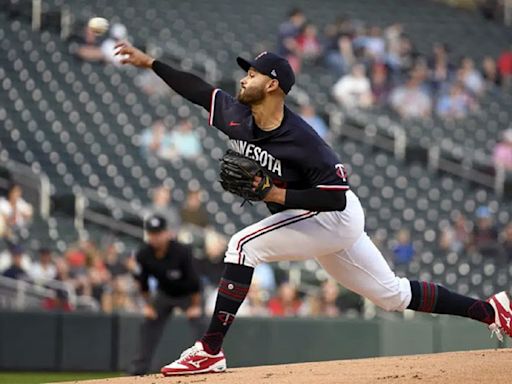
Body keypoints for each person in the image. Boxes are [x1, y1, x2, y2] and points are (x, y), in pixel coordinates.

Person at [115, 41, 512, 376]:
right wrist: (149, 61)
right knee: (391, 295)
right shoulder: (236, 116)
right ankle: (491, 310)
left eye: (251, 74)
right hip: (321, 224)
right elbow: (196, 88)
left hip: (332, 215)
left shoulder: (304, 140)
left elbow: (336, 196)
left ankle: (210, 349)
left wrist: (275, 196)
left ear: (273, 85)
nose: (243, 78)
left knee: (241, 245)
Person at [127, 215, 203, 375]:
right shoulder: (144, 254)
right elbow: (143, 283)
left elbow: (194, 281)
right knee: (148, 323)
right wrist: (148, 306)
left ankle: (208, 359)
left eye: (159, 233)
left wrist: (195, 306)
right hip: (164, 293)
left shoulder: (181, 251)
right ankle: (138, 369)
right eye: (152, 233)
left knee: (199, 323)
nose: (155, 237)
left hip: (187, 294)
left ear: (167, 233)